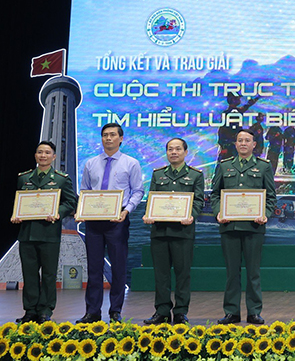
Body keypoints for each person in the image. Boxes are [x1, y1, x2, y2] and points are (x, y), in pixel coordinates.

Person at [77, 123, 144, 323]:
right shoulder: (90, 163)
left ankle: (115, 310)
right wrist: (81, 211)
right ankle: (92, 312)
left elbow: (138, 191)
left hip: (118, 221)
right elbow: (85, 191)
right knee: (94, 268)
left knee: (118, 267)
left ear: (121, 138)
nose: (108, 138)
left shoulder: (131, 163)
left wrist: (126, 210)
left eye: (112, 135)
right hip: (93, 222)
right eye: (105, 135)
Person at [211, 128, 277, 324]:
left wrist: (265, 214)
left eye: (247, 140)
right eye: (240, 140)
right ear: (235, 144)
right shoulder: (224, 166)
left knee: (253, 272)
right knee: (232, 272)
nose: (243, 144)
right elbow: (215, 194)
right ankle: (231, 312)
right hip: (229, 227)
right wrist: (218, 212)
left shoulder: (264, 167)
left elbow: (271, 197)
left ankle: (254, 311)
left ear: (254, 144)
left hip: (254, 228)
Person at [12, 141, 78, 323]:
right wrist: (16, 215)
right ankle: (30, 310)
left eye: (47, 153)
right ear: (35, 155)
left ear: (53, 157)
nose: (43, 155)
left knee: (49, 274)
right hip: (27, 233)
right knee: (29, 273)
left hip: (49, 233)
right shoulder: (24, 178)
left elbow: (70, 202)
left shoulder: (61, 178)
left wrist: (59, 213)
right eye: (40, 152)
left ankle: (45, 310)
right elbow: (19, 202)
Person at [142, 138, 205, 325]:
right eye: (170, 149)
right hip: (160, 231)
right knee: (161, 275)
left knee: (182, 274)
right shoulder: (158, 174)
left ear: (186, 152)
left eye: (178, 149)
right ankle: (161, 311)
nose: (174, 152)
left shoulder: (195, 176)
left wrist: (191, 215)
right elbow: (151, 199)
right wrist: (148, 215)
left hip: (183, 232)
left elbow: (199, 201)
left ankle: (180, 312)